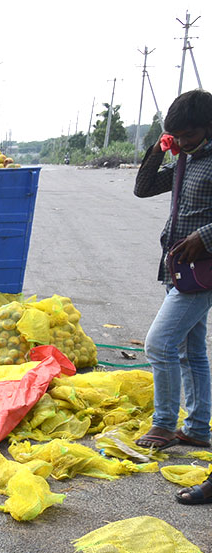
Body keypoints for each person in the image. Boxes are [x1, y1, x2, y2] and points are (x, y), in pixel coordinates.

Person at [133, 90, 212, 508]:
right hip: (180, 268)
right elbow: (143, 189)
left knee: (159, 344)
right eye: (175, 135)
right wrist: (159, 149)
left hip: (204, 270)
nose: (183, 141)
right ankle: (199, 426)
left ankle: (163, 424)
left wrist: (205, 236)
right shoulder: (186, 158)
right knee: (188, 350)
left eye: (189, 134)